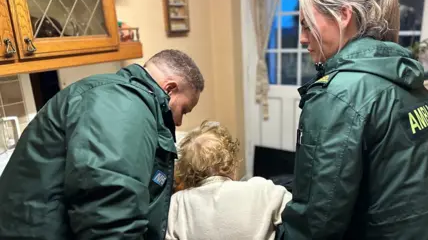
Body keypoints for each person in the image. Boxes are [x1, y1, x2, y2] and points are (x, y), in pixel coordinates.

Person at [278, 0, 428, 239]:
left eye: (307, 25)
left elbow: (315, 223)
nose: (303, 38)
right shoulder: (404, 79)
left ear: (343, 15)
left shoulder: (340, 94)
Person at [0, 50, 204, 240]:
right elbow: (110, 211)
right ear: (169, 88)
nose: (179, 122)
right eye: (184, 110)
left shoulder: (120, 96)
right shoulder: (122, 104)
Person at [166, 121, 292, 240]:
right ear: (231, 164)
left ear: (187, 173)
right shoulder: (262, 190)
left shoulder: (178, 203)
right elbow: (298, 212)